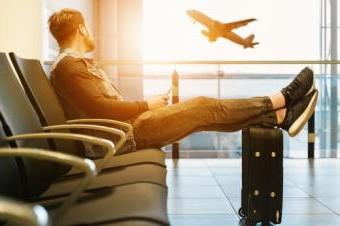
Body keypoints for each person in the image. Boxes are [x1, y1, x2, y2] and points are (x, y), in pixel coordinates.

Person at [48, 9, 318, 156]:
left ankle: (281, 116)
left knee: (203, 116)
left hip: (124, 130)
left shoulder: (71, 65)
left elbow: (100, 107)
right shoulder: (70, 66)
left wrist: (146, 106)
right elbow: (100, 108)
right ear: (82, 29)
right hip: (123, 136)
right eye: (89, 28)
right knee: (203, 107)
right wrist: (145, 104)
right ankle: (280, 100)